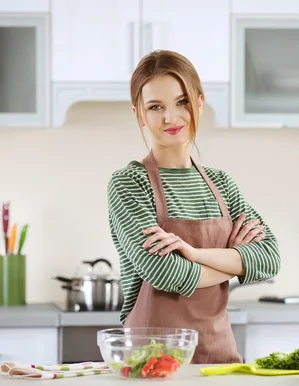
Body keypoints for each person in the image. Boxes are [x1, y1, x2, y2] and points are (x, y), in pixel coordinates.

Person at [107, 50, 281, 364]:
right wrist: (235, 263)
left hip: (220, 360)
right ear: (139, 115)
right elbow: (163, 271)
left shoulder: (222, 184)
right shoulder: (129, 183)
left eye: (182, 101)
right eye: (155, 107)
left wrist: (195, 254)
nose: (170, 118)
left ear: (199, 102)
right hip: (151, 364)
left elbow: (269, 258)